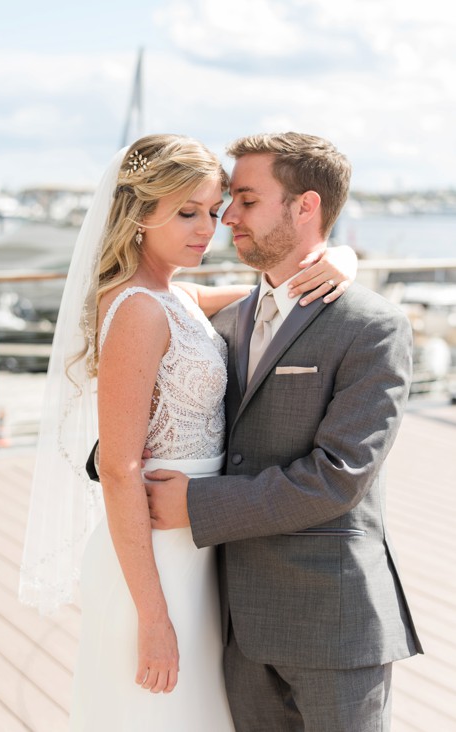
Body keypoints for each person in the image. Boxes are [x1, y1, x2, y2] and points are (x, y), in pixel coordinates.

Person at [18, 134, 357, 730]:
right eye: (187, 213)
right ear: (140, 215)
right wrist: (153, 617)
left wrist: (344, 259)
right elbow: (120, 468)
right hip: (154, 562)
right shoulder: (138, 310)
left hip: (201, 545)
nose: (211, 226)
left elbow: (273, 298)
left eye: (213, 208)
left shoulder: (174, 295)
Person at [145, 132, 422, 731]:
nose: (227, 220)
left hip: (333, 621)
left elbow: (336, 478)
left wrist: (196, 504)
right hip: (237, 628)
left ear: (306, 206)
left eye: (245, 200)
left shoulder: (372, 326)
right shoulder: (230, 317)